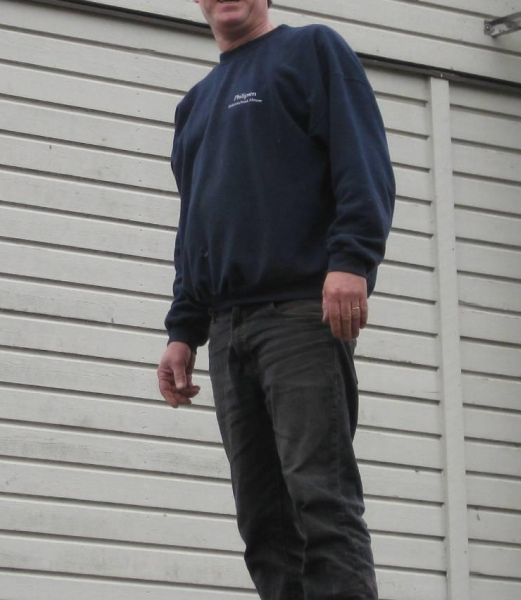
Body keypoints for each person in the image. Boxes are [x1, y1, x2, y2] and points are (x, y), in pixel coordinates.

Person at [156, 1, 395, 598]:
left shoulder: (311, 51)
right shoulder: (195, 106)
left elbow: (362, 160)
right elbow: (195, 226)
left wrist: (352, 260)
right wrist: (183, 329)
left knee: (320, 500)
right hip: (227, 330)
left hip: (299, 316)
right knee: (262, 521)